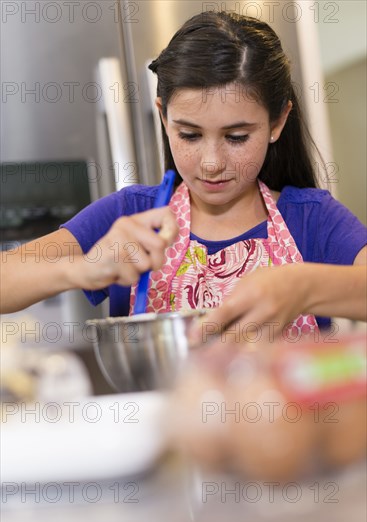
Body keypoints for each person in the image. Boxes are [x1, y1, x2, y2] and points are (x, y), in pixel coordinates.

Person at [1, 12, 366, 336]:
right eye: (189, 134)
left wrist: (305, 287)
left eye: (237, 137)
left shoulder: (311, 219)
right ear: (163, 116)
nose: (211, 162)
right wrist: (80, 268)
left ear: (278, 122)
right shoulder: (128, 216)